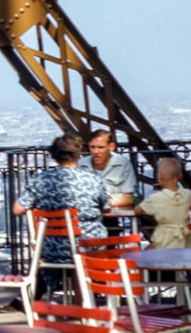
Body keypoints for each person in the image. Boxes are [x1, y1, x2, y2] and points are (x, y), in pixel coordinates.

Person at [13, 133, 108, 301]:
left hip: (54, 248)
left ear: (54, 156)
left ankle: (33, 301)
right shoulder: (93, 180)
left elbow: (17, 209)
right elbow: (105, 208)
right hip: (89, 245)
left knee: (66, 254)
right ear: (78, 155)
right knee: (82, 256)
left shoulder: (40, 180)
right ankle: (85, 305)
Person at [135, 156, 191, 249]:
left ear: (160, 176)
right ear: (180, 176)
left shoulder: (156, 198)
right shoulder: (188, 194)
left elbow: (137, 211)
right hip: (187, 242)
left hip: (164, 243)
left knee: (146, 252)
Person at [78, 129, 137, 199]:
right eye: (92, 147)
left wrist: (102, 203)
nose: (96, 151)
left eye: (101, 147)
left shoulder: (123, 163)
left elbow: (130, 196)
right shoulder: (80, 164)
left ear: (111, 147)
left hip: (115, 208)